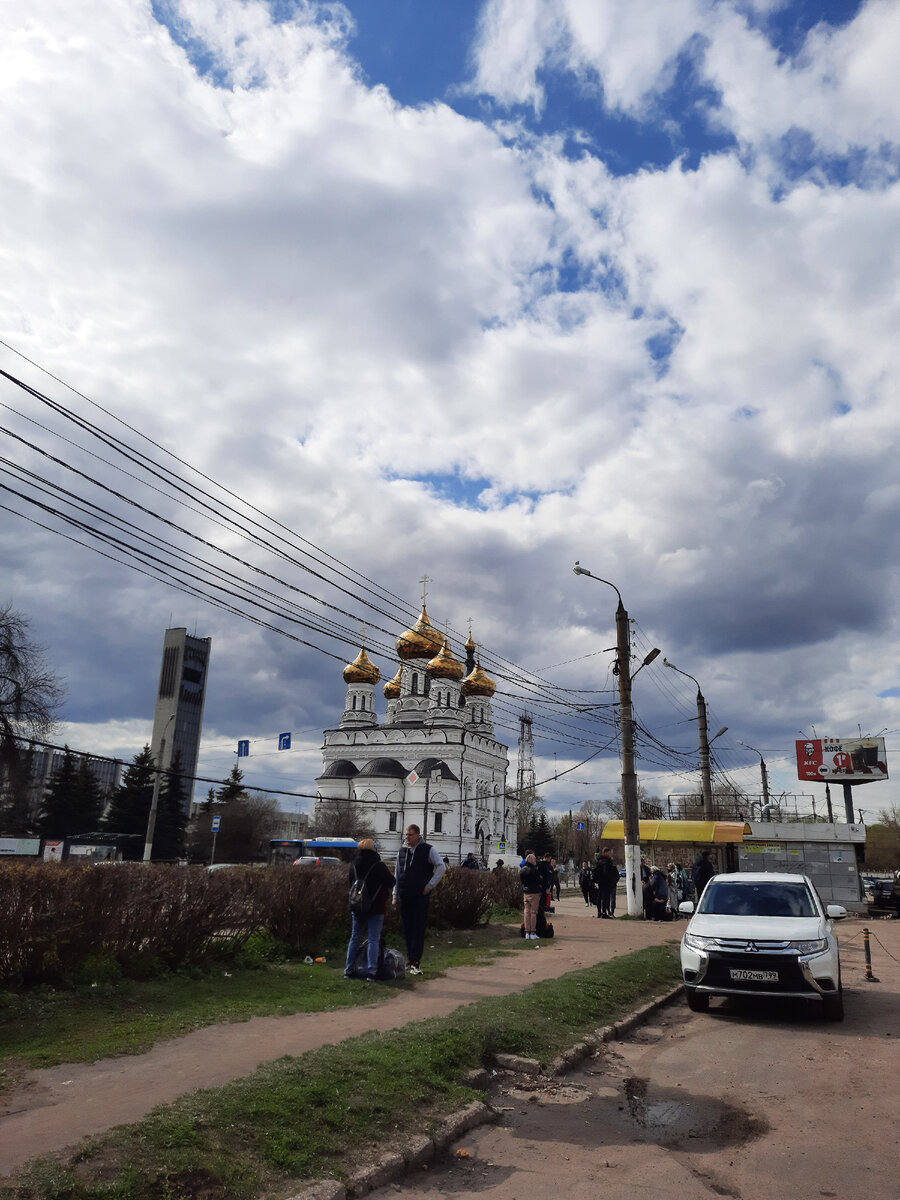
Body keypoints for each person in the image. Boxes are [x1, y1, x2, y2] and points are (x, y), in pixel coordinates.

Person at [393, 824, 446, 975]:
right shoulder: (402, 851)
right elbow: (397, 873)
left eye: (410, 835)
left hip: (420, 895)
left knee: (417, 927)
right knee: (407, 928)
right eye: (406, 835)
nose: (407, 838)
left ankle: (415, 960)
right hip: (405, 894)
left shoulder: (427, 850)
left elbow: (441, 866)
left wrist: (429, 885)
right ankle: (410, 958)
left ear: (417, 835)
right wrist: (395, 894)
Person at [344, 839, 394, 982]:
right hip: (376, 907)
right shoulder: (378, 865)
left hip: (357, 906)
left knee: (355, 937)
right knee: (373, 939)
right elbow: (391, 882)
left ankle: (348, 970)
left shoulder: (354, 865)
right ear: (374, 849)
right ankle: (371, 972)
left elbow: (350, 884)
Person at [520, 852, 543, 939]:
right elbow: (539, 880)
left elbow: (522, 881)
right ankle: (533, 932)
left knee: (526, 912)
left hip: (526, 892)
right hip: (534, 892)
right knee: (533, 912)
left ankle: (527, 932)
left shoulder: (522, 870)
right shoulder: (534, 870)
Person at [593, 846, 619, 919]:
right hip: (605, 882)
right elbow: (606, 873)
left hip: (600, 882)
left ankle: (599, 912)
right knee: (605, 898)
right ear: (605, 853)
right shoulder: (605, 862)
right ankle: (604, 912)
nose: (610, 854)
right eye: (609, 852)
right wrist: (610, 880)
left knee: (600, 897)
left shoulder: (599, 860)